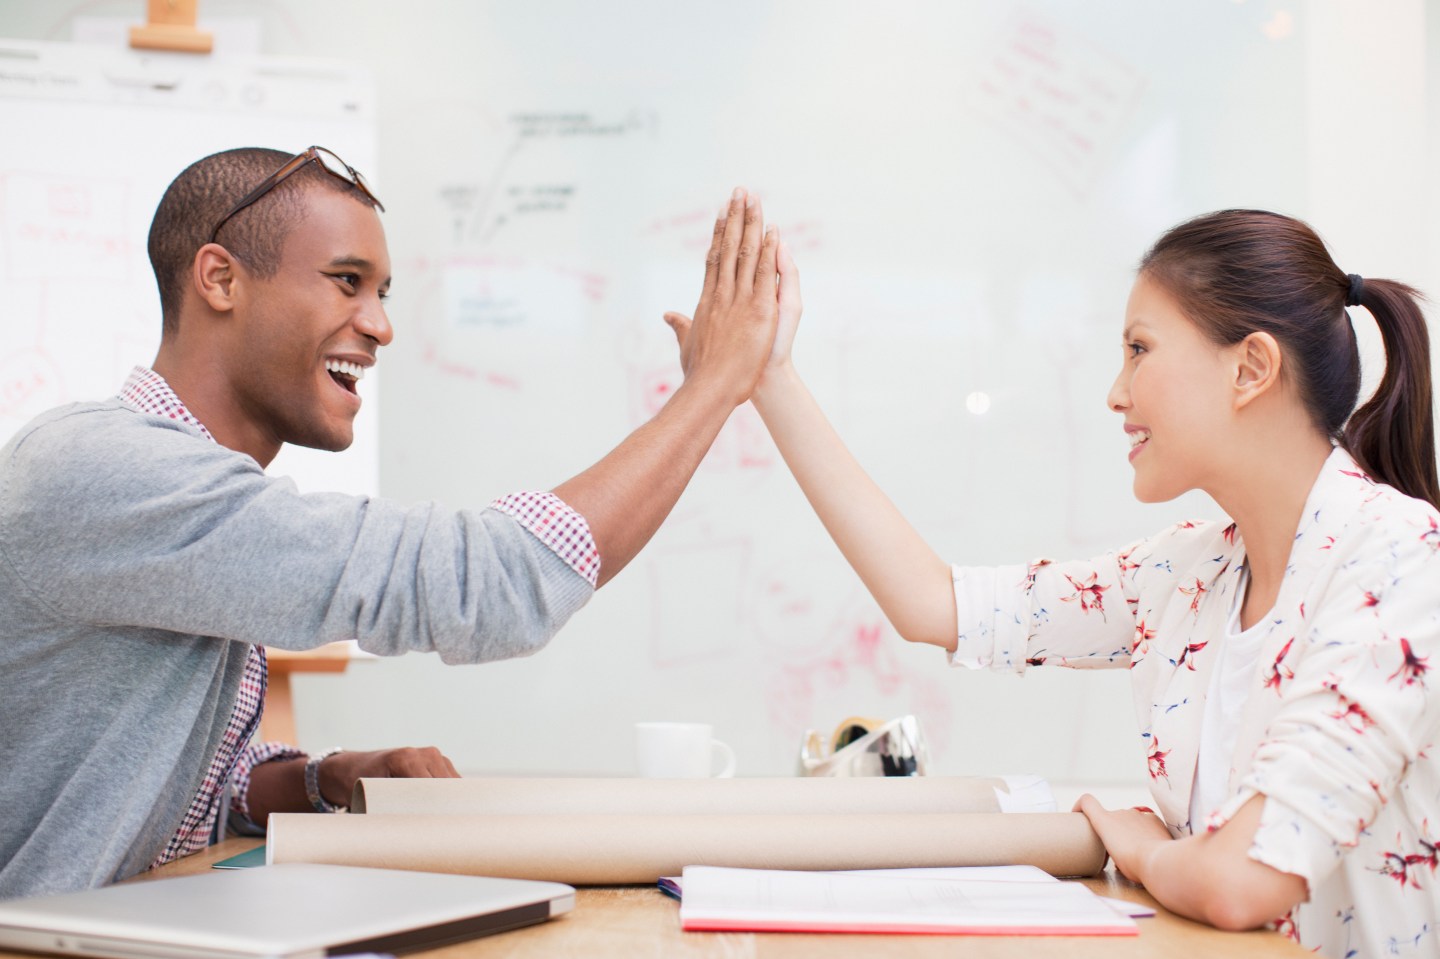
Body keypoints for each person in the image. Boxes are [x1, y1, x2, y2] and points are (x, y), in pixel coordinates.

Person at [0, 146, 780, 899]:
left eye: (383, 293)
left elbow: (182, 791)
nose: (380, 325)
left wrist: (324, 776)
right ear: (220, 279)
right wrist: (712, 388)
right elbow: (491, 583)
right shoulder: (107, 473)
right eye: (347, 282)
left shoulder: (177, 488)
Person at [666, 210, 1440, 957]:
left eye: (1139, 349)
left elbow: (1240, 881)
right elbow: (936, 603)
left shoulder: (1401, 559)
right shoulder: (1188, 571)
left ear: (1250, 368)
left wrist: (1144, 850)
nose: (1116, 391)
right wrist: (767, 377)